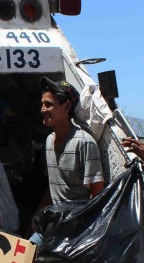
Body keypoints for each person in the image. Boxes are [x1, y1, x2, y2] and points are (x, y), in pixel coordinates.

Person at [28, 77, 104, 242]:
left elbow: (97, 196)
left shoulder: (84, 143)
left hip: (76, 229)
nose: (42, 109)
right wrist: (35, 222)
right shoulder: (49, 141)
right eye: (42, 104)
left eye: (48, 104)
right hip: (52, 223)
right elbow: (53, 189)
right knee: (26, 254)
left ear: (67, 106)